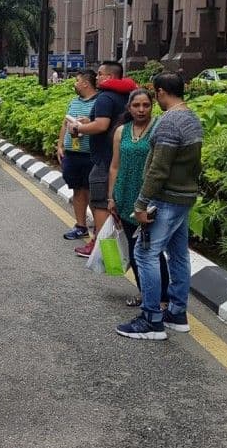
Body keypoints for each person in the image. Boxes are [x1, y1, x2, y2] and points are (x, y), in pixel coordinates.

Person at [117, 72, 202, 341]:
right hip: (184, 197)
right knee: (178, 254)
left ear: (162, 92)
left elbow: (158, 169)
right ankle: (176, 313)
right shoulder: (192, 118)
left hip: (165, 199)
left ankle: (152, 319)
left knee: (145, 255)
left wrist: (141, 203)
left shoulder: (168, 122)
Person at [107, 88, 169, 307]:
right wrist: (111, 197)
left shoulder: (159, 128)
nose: (141, 110)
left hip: (149, 198)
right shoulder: (121, 131)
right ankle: (145, 292)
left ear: (152, 106)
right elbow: (115, 166)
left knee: (152, 250)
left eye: (146, 105)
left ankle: (162, 298)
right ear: (129, 107)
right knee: (135, 250)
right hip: (124, 195)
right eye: (136, 105)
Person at [68, 61, 137, 257]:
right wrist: (90, 122)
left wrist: (78, 128)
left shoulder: (105, 97)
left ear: (110, 77)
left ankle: (100, 248)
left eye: (99, 74)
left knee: (99, 202)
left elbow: (101, 125)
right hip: (123, 156)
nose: (96, 77)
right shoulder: (127, 95)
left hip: (105, 159)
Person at [57, 69, 98, 242]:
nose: (75, 83)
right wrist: (60, 145)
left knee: (94, 193)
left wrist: (89, 123)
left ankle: (100, 229)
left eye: (77, 80)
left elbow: (103, 125)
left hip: (91, 155)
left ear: (85, 83)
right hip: (72, 154)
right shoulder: (74, 101)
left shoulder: (100, 103)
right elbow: (65, 124)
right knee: (77, 190)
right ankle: (81, 226)